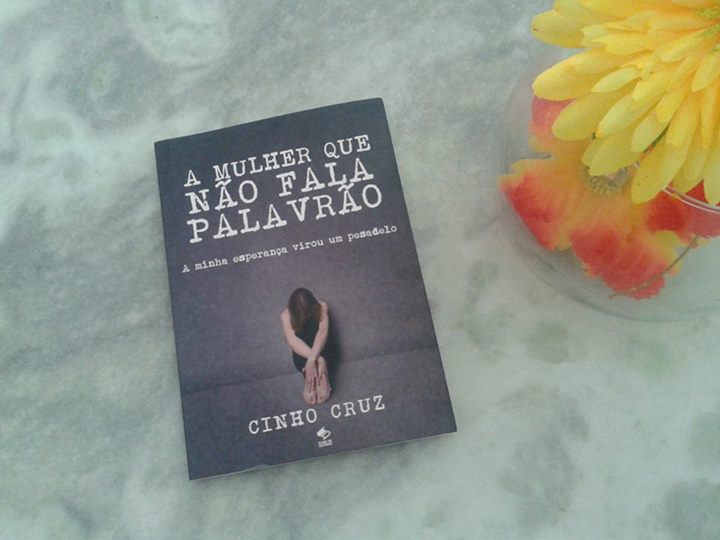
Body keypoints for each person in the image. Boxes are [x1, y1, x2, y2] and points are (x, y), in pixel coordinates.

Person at [281, 288, 332, 405]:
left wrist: (313, 359)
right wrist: (318, 359)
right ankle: (311, 375)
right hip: (302, 352)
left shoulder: (322, 306)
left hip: (322, 346)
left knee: (319, 337)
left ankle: (320, 375)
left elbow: (322, 333)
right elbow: (293, 342)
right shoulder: (285, 315)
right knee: (299, 339)